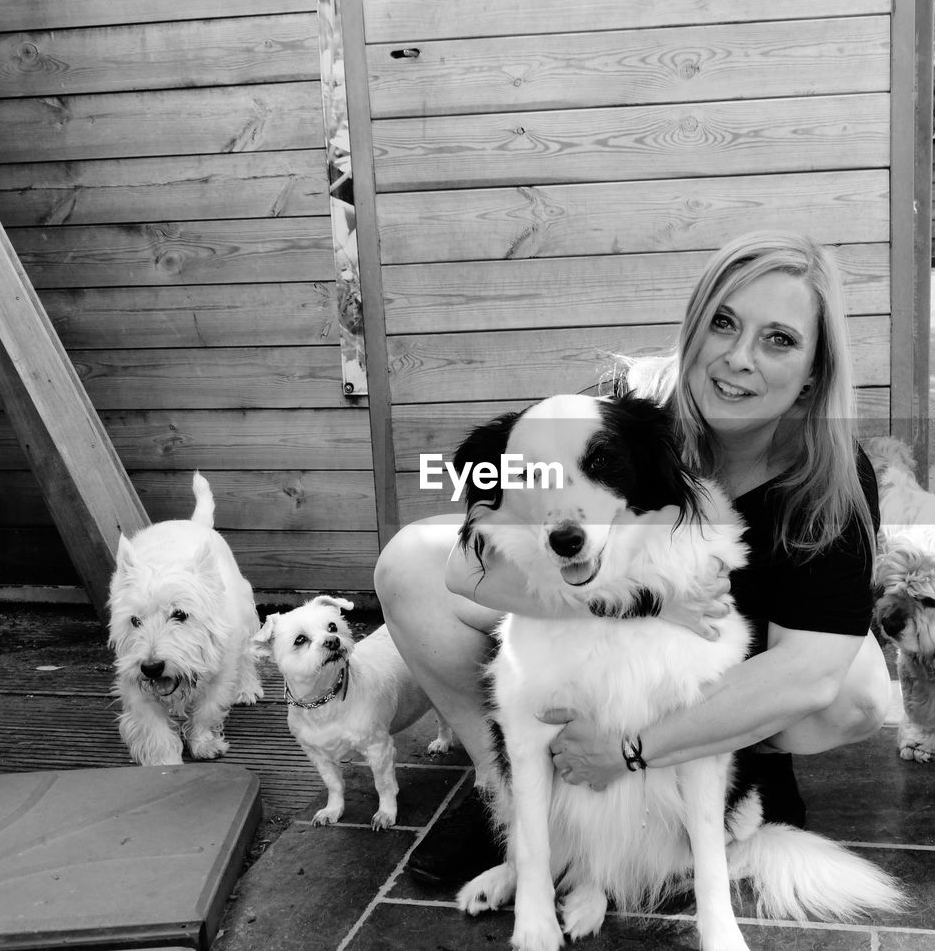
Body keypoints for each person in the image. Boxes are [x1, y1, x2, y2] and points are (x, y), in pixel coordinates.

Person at [374, 230, 891, 884]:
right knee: (408, 564)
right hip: (596, 658)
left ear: (815, 366)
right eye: (723, 323)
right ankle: (507, 786)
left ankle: (724, 772)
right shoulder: (618, 405)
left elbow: (812, 675)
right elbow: (463, 567)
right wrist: (649, 601)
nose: (738, 358)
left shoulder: (831, 475)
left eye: (779, 339)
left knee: (854, 688)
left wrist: (630, 752)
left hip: (710, 671)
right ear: (693, 324)